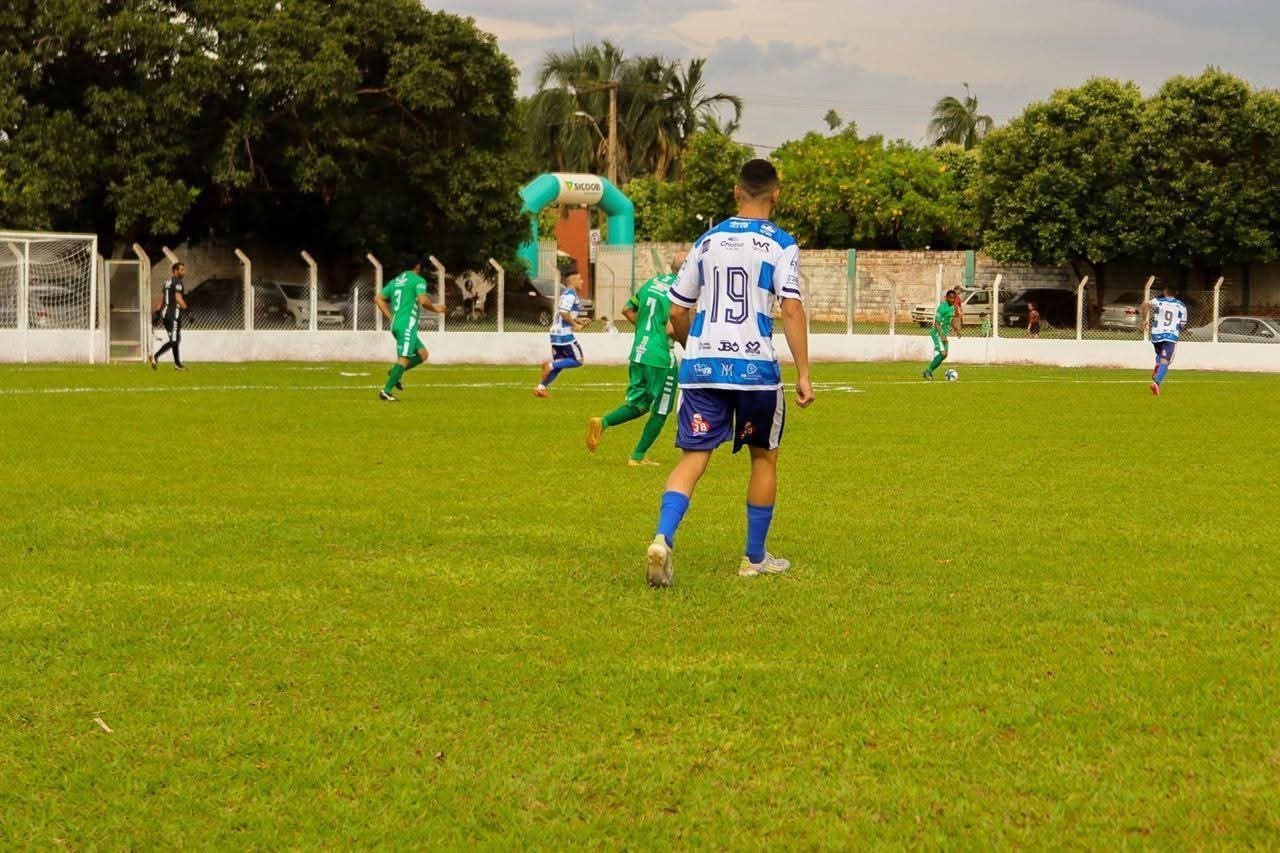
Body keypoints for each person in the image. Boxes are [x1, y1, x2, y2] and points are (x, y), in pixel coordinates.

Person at [644, 159, 815, 588]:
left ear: (737, 192)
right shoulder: (781, 244)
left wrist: (694, 347)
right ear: (776, 195)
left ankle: (662, 538)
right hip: (755, 371)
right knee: (764, 458)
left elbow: (677, 310)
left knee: (693, 457)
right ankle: (754, 558)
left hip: (703, 367)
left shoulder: (707, 241)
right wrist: (804, 373)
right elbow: (791, 308)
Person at [586, 252, 685, 466]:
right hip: (661, 356)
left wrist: (646, 331)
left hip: (639, 351)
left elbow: (627, 310)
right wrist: (688, 343)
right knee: (661, 409)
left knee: (641, 404)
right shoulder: (681, 290)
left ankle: (603, 422)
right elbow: (671, 328)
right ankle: (637, 457)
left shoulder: (652, 283)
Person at [374, 257, 445, 402]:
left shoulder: (396, 281)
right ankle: (386, 392)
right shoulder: (418, 280)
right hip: (407, 325)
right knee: (404, 358)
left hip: (398, 325)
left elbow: (378, 298)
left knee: (423, 354)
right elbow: (423, 301)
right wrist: (436, 308)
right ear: (417, 266)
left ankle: (395, 372)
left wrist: (391, 317)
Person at [533, 269, 590, 398]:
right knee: (578, 360)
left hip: (555, 333)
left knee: (560, 364)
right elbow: (564, 313)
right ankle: (550, 365)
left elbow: (563, 313)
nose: (582, 281)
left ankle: (540, 388)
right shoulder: (570, 295)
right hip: (564, 334)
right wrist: (575, 325)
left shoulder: (565, 294)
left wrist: (577, 319)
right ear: (573, 280)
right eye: (580, 279)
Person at [1143, 284, 1188, 396]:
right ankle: (1156, 383)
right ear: (1175, 293)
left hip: (1156, 334)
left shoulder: (1157, 301)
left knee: (1160, 355)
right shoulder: (1181, 305)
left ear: (1164, 292)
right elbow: (1183, 324)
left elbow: (1146, 304)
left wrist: (1144, 320)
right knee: (1166, 361)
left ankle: (1158, 364)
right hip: (1171, 336)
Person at [150, 261, 188, 370]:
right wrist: (188, 311)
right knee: (174, 340)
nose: (184, 272)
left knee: (175, 339)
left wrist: (157, 313)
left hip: (165, 315)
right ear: (175, 271)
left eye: (184, 270)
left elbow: (162, 300)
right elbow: (178, 298)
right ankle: (156, 356)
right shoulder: (177, 282)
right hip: (173, 315)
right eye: (181, 270)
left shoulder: (167, 282)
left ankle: (177, 364)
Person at [923, 289, 960, 380]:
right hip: (937, 333)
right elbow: (937, 323)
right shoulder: (942, 308)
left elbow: (950, 320)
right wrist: (941, 335)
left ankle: (928, 371)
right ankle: (928, 371)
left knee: (945, 354)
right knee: (943, 353)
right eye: (950, 298)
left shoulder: (953, 307)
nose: (952, 300)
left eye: (954, 298)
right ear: (946, 298)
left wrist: (957, 329)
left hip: (943, 333)